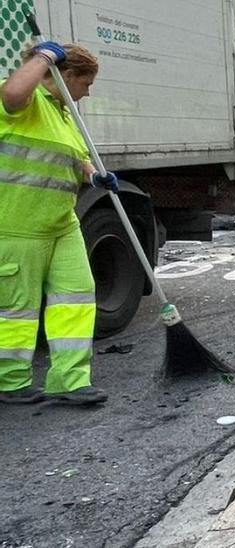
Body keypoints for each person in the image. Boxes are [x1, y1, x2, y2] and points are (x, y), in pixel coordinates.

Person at [0, 43, 110, 405]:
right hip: (16, 227)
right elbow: (12, 94)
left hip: (63, 224)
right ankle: (11, 382)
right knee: (17, 311)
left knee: (75, 298)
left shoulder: (65, 115)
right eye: (86, 83)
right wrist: (43, 58)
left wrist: (95, 178)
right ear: (66, 76)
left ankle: (70, 379)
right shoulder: (26, 104)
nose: (88, 92)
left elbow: (78, 160)